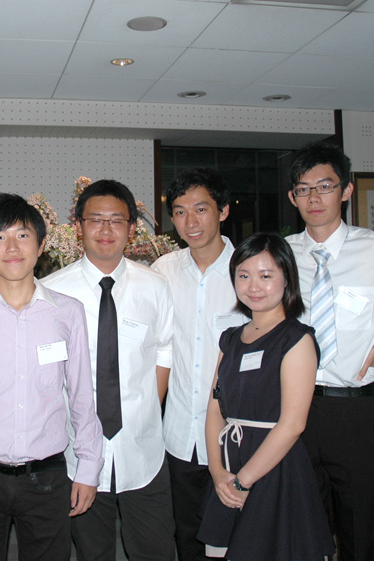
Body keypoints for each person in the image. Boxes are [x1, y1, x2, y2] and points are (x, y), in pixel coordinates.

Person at [0, 193, 103, 561]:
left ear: (42, 244)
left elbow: (82, 398)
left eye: (23, 235)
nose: (12, 247)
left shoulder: (67, 313)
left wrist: (89, 468)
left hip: (47, 477)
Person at [285, 141, 374, 561]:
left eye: (325, 186)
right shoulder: (284, 253)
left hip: (356, 411)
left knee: (361, 527)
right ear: (293, 197)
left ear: (346, 191)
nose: (314, 198)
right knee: (300, 522)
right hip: (297, 408)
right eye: (303, 189)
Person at [43, 179, 175, 560]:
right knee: (92, 554)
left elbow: (164, 350)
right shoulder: (52, 292)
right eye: (95, 220)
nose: (105, 230)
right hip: (77, 455)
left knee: (156, 551)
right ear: (78, 226)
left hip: (144, 450)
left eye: (116, 221)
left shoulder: (154, 287)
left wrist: (148, 410)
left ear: (132, 229)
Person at [198, 232, 334, 561]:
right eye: (243, 276)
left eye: (266, 275)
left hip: (275, 468)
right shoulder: (230, 338)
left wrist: (243, 482)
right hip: (230, 464)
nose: (253, 286)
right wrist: (218, 474)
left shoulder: (296, 339)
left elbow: (292, 425)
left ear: (287, 279)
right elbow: (215, 410)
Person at [151, 167, 246, 560]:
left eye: (201, 209)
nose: (190, 221)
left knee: (239, 536)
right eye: (179, 211)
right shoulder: (163, 272)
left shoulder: (251, 269)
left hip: (237, 435)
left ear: (223, 211)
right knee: (187, 534)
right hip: (179, 434)